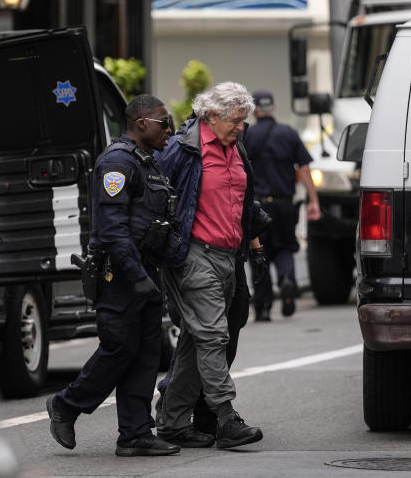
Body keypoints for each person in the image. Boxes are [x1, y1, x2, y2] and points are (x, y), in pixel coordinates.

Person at [46, 94, 181, 457]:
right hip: (120, 274)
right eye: (162, 122)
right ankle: (66, 404)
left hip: (145, 270)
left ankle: (135, 434)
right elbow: (111, 229)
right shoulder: (117, 163)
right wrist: (136, 275)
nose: (168, 129)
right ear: (141, 124)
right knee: (119, 348)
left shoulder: (149, 162)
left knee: (146, 354)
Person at [154, 81, 265, 450]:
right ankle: (225, 417)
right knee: (214, 335)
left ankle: (171, 421)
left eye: (243, 121)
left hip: (229, 256)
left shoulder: (236, 147)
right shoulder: (182, 150)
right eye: (235, 120)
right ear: (211, 115)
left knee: (194, 340)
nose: (240, 127)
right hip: (193, 254)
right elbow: (154, 199)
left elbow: (242, 200)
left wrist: (254, 240)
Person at [244, 89, 321, 322]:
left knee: (260, 253)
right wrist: (313, 200)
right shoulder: (288, 133)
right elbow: (305, 168)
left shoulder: (248, 136)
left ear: (255, 110)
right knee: (286, 247)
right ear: (274, 107)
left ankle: (263, 306)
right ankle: (287, 280)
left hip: (257, 207)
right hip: (285, 205)